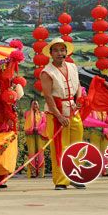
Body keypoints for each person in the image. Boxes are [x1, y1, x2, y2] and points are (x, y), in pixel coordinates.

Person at [40, 37, 85, 190]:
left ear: (66, 52)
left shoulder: (72, 67)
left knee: (76, 146)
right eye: (56, 51)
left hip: (73, 110)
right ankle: (61, 180)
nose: (60, 53)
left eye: (62, 50)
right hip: (56, 113)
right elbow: (48, 96)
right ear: (51, 53)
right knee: (60, 146)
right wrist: (58, 116)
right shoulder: (47, 72)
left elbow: (78, 85)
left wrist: (79, 98)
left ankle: (75, 176)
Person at [23, 99, 47, 178]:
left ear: (39, 105)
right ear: (30, 105)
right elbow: (27, 122)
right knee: (31, 152)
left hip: (39, 134)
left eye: (36, 104)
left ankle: (41, 172)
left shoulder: (42, 114)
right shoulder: (27, 113)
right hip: (30, 135)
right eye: (33, 104)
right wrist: (31, 129)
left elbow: (45, 123)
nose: (35, 105)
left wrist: (38, 128)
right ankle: (32, 172)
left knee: (40, 152)